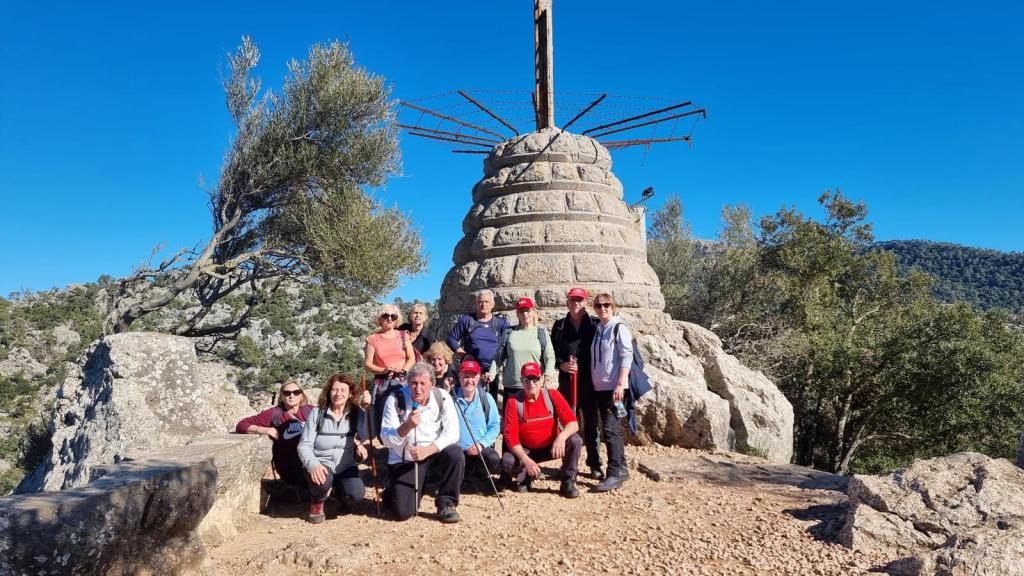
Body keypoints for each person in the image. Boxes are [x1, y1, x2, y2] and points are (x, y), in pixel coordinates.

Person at [379, 362, 465, 523]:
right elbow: (385, 438)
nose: (417, 388)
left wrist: (428, 450)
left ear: (432, 384)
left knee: (455, 453)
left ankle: (446, 503)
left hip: (432, 454)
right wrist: (406, 427)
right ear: (408, 382)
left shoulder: (443, 397)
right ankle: (394, 491)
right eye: (414, 383)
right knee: (402, 513)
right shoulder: (396, 399)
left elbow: (453, 433)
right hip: (406, 459)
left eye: (422, 384)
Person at [501, 362, 582, 498]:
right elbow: (510, 437)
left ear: (541, 379)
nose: (531, 383)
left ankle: (568, 480)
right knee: (508, 461)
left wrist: (561, 438)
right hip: (527, 450)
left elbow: (573, 423)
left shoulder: (552, 395)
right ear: (521, 380)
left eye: (535, 379)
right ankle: (525, 474)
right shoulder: (513, 402)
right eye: (526, 379)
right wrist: (526, 460)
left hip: (552, 446)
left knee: (575, 441)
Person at [297, 374, 369, 523]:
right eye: (335, 390)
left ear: (350, 394)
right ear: (328, 392)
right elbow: (304, 445)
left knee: (357, 494)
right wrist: (313, 465)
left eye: (343, 390)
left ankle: (340, 495)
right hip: (320, 463)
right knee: (322, 480)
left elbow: (369, 430)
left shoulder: (356, 413)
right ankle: (317, 500)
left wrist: (360, 447)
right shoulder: (318, 413)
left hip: (345, 465)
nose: (338, 394)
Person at [550, 287, 604, 480]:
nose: (576, 304)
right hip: (567, 383)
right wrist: (562, 365)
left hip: (589, 384)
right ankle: (568, 465)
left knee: (591, 424)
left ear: (586, 303)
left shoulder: (596, 325)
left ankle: (594, 463)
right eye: (573, 300)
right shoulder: (559, 326)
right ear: (567, 302)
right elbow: (551, 355)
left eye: (580, 300)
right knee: (568, 424)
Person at [588, 293, 632, 492]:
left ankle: (614, 473)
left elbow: (626, 355)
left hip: (614, 390)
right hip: (599, 388)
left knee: (610, 430)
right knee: (611, 429)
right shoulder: (599, 329)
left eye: (606, 305)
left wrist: (621, 384)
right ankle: (621, 467)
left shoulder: (618, 328)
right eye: (598, 305)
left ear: (613, 306)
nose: (602, 308)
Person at [235, 380, 315, 487]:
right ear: (282, 396)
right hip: (291, 467)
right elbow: (241, 425)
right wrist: (266, 430)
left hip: (311, 461)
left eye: (296, 392)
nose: (291, 396)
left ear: (301, 395)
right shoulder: (274, 414)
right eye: (287, 393)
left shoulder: (309, 410)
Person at [488, 297, 556, 414]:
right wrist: (492, 373)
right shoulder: (509, 333)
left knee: (533, 425)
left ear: (533, 312)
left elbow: (550, 357)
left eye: (528, 311)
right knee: (511, 425)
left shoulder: (541, 333)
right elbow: (498, 357)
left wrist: (548, 379)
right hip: (512, 387)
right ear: (517, 314)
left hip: (534, 387)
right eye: (521, 311)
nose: (525, 314)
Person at [446, 290, 509, 402]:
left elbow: (509, 341)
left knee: (490, 401)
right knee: (470, 399)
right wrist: (462, 354)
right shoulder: (467, 320)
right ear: (476, 304)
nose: (483, 304)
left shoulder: (500, 323)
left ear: (493, 305)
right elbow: (452, 339)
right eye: (480, 302)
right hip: (471, 370)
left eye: (486, 301)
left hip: (491, 370)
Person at [365, 303, 417, 437]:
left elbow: (411, 358)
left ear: (397, 319)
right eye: (385, 316)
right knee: (383, 415)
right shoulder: (372, 339)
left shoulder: (403, 335)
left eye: (393, 316)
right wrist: (384, 370)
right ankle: (387, 446)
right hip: (383, 383)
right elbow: (368, 364)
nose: (389, 319)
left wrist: (404, 371)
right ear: (379, 319)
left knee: (404, 412)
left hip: (402, 381)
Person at [451, 360, 501, 490]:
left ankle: (476, 478)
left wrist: (481, 444)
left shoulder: (486, 398)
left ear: (478, 378)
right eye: (466, 376)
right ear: (460, 377)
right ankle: (462, 479)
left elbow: (495, 426)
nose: (469, 381)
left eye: (473, 376)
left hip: (479, 449)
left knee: (493, 459)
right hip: (457, 451)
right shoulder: (450, 397)